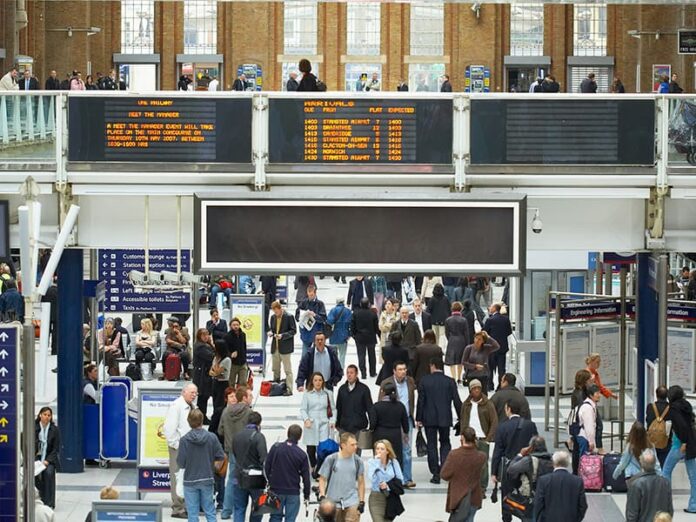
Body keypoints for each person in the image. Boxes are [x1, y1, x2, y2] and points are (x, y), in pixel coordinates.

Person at [416, 356, 462, 484]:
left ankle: (435, 473)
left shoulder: (425, 381)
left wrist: (418, 418)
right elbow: (457, 401)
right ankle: (445, 470)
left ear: (432, 366)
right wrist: (461, 417)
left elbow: (421, 401)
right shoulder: (450, 381)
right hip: (445, 418)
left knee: (432, 444)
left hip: (429, 418)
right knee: (445, 443)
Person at [491, 401, 538, 522]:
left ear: (508, 409)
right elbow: (536, 445)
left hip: (509, 467)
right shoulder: (530, 425)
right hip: (527, 466)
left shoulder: (502, 427)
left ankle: (507, 518)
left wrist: (494, 472)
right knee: (526, 494)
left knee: (507, 496)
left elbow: (498, 451)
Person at [177, 408, 225, 522]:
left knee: (192, 513)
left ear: (189, 421)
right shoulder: (212, 437)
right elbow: (221, 456)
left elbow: (181, 463)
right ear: (202, 420)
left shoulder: (184, 440)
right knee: (210, 511)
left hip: (190, 480)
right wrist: (213, 465)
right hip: (207, 477)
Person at [379, 361, 416, 488]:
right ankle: (390, 477)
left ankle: (407, 478)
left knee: (407, 449)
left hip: (407, 419)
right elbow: (380, 401)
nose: (403, 372)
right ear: (394, 371)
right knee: (390, 449)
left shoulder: (410, 382)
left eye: (404, 369)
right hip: (392, 420)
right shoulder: (386, 383)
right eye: (400, 369)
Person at [163, 383, 198, 519]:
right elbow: (169, 429)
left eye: (196, 393)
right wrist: (177, 445)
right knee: (177, 476)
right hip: (178, 448)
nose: (194, 395)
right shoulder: (176, 406)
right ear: (183, 392)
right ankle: (177, 508)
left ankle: (186, 505)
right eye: (192, 392)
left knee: (187, 477)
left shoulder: (192, 406)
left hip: (190, 447)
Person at [219, 386, 254, 519]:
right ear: (244, 398)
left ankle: (226, 511)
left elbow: (220, 431)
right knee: (249, 479)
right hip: (246, 451)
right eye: (249, 396)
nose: (251, 398)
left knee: (232, 480)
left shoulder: (226, 411)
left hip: (231, 450)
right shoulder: (249, 413)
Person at [265, 424, 311, 522]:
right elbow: (306, 478)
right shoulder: (301, 454)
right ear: (300, 437)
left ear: (288, 434)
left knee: (275, 517)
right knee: (290, 519)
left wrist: (270, 480)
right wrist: (306, 495)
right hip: (293, 492)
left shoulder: (275, 448)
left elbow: (267, 466)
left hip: (276, 490)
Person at [441, 427, 487, 522]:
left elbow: (444, 475)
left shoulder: (454, 455)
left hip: (458, 498)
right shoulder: (481, 456)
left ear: (462, 438)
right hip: (474, 497)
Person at [661, 385, 696, 513]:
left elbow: (681, 426)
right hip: (691, 445)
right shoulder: (687, 406)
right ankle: (694, 505)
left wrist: (684, 442)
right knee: (693, 477)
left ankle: (665, 503)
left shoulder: (673, 408)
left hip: (679, 445)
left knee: (665, 472)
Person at [460, 379, 498, 495]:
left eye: (478, 388)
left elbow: (494, 421)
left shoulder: (488, 404)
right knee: (468, 463)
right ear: (470, 390)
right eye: (474, 388)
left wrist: (488, 438)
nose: (476, 390)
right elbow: (462, 420)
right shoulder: (466, 405)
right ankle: (470, 487)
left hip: (482, 439)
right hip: (469, 438)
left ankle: (482, 488)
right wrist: (462, 435)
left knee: (483, 465)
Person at [318, 432, 366, 522]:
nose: (355, 447)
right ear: (343, 445)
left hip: (352, 501)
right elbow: (322, 479)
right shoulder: (331, 459)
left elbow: (361, 482)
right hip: (333, 502)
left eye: (356, 444)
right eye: (352, 445)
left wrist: (362, 501)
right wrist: (322, 496)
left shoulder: (358, 461)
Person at [232, 411, 267, 522]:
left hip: (238, 475)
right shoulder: (259, 437)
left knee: (239, 508)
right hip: (255, 478)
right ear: (259, 423)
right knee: (257, 508)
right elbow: (263, 459)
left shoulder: (236, 435)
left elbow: (235, 453)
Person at [506, 436, 554, 517]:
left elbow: (511, 469)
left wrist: (520, 455)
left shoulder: (528, 461)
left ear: (531, 447)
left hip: (531, 498)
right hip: (549, 497)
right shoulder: (553, 459)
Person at [533, 451, 587, 522]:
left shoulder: (543, 480)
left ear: (553, 462)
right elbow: (583, 505)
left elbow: (538, 504)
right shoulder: (577, 481)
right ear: (568, 463)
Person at [301, 372, 336, 473]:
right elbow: (303, 409)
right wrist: (306, 419)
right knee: (310, 449)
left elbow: (333, 409)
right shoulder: (307, 394)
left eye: (320, 380)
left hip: (324, 424)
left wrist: (333, 420)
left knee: (323, 449)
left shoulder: (328, 394)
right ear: (312, 381)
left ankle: (321, 470)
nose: (318, 382)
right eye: (315, 380)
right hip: (311, 424)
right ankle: (313, 466)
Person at [369, 380, 409, 468]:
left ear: (383, 392)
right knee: (395, 458)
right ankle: (396, 478)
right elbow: (405, 424)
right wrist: (406, 433)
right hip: (395, 434)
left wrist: (371, 430)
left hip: (380, 434)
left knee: (380, 458)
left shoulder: (376, 406)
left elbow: (373, 423)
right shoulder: (400, 406)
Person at [367, 439, 404, 522]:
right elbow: (371, 478)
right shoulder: (372, 462)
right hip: (376, 497)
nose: (379, 451)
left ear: (387, 451)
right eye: (377, 448)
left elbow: (400, 479)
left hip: (390, 497)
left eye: (382, 449)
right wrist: (377, 462)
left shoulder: (394, 462)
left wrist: (388, 485)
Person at [336, 365, 373, 444]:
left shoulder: (364, 389)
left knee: (356, 453)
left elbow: (370, 408)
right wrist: (337, 423)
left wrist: (372, 425)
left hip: (359, 427)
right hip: (344, 427)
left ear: (356, 374)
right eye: (348, 373)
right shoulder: (342, 389)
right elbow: (338, 407)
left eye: (351, 373)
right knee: (344, 453)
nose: (349, 375)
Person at [268, 300, 296, 394]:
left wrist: (283, 335)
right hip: (275, 347)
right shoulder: (273, 317)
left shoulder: (289, 317)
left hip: (285, 348)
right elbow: (272, 329)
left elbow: (293, 331)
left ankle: (289, 389)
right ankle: (276, 387)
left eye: (276, 312)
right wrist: (271, 332)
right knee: (275, 369)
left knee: (287, 370)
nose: (275, 314)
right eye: (274, 312)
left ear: (280, 309)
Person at [483, 303, 513, 391]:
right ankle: (500, 385)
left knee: (490, 367)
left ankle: (490, 385)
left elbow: (485, 332)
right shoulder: (506, 319)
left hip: (491, 348)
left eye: (491, 307)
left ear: (495, 309)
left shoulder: (490, 320)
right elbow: (509, 331)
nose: (489, 308)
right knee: (501, 368)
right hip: (502, 347)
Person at [35, 407, 60, 509]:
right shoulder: (34, 427)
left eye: (49, 415)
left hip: (49, 459)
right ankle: (37, 499)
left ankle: (49, 503)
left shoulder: (54, 430)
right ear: (40, 415)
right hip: (36, 458)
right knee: (33, 474)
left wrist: (47, 461)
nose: (46, 417)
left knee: (48, 473)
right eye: (44, 414)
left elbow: (55, 449)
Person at [350, 297, 379, 379]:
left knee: (361, 356)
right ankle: (372, 372)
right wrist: (378, 335)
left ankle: (363, 373)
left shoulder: (355, 313)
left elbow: (352, 326)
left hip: (360, 338)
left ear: (360, 304)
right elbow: (376, 327)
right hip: (371, 337)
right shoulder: (373, 314)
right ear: (368, 304)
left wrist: (354, 335)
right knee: (372, 356)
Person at [296, 284, 327, 357]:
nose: (310, 296)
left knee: (317, 356)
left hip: (317, 334)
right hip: (306, 334)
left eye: (312, 295)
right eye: (309, 295)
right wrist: (302, 316)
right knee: (305, 356)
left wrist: (315, 315)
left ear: (315, 293)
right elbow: (297, 316)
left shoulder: (320, 304)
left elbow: (323, 318)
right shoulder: (303, 303)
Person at [444, 301, 470, 384]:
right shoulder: (464, 320)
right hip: (461, 340)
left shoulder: (448, 320)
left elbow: (446, 332)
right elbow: (466, 333)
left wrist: (450, 338)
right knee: (460, 360)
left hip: (452, 339)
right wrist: (467, 343)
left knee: (452, 360)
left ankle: (453, 377)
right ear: (460, 309)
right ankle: (459, 377)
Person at [646, 385, 671, 467]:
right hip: (666, 440)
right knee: (664, 464)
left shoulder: (650, 407)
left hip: (652, 439)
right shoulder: (670, 408)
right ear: (667, 395)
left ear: (656, 395)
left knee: (652, 464)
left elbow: (648, 420)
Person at [575, 383, 601, 457]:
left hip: (583, 436)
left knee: (584, 461)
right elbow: (589, 426)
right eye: (597, 393)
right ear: (591, 395)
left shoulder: (589, 405)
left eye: (599, 393)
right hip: (584, 437)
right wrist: (591, 441)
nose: (599, 395)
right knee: (585, 461)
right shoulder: (588, 408)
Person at [328, 297, 353, 369]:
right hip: (344, 336)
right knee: (342, 355)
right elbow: (351, 324)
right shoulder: (348, 311)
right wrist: (349, 334)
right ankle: (341, 369)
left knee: (333, 355)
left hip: (334, 336)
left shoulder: (333, 310)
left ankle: (334, 368)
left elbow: (329, 321)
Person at [225, 317, 248, 389]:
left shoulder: (243, 335)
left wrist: (245, 359)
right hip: (233, 363)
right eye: (234, 325)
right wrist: (230, 354)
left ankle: (241, 398)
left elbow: (244, 347)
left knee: (243, 383)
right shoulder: (227, 336)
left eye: (237, 324)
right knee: (231, 383)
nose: (236, 326)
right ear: (230, 326)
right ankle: (231, 398)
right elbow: (225, 350)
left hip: (242, 363)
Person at [209, 340, 231, 410]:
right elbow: (210, 372)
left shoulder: (227, 360)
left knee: (220, 404)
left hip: (223, 384)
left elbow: (217, 371)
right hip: (215, 383)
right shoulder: (215, 358)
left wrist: (214, 372)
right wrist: (214, 373)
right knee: (215, 403)